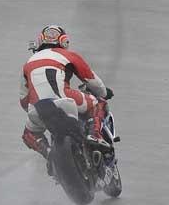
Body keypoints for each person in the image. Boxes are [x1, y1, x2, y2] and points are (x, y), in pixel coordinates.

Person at [19, 24, 114, 158]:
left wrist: (35, 107)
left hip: (36, 108)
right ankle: (95, 136)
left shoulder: (27, 64)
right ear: (64, 41)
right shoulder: (68, 55)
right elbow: (92, 80)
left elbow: (23, 100)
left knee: (28, 134)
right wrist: (103, 93)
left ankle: (49, 155)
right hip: (64, 99)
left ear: (40, 41)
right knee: (98, 103)